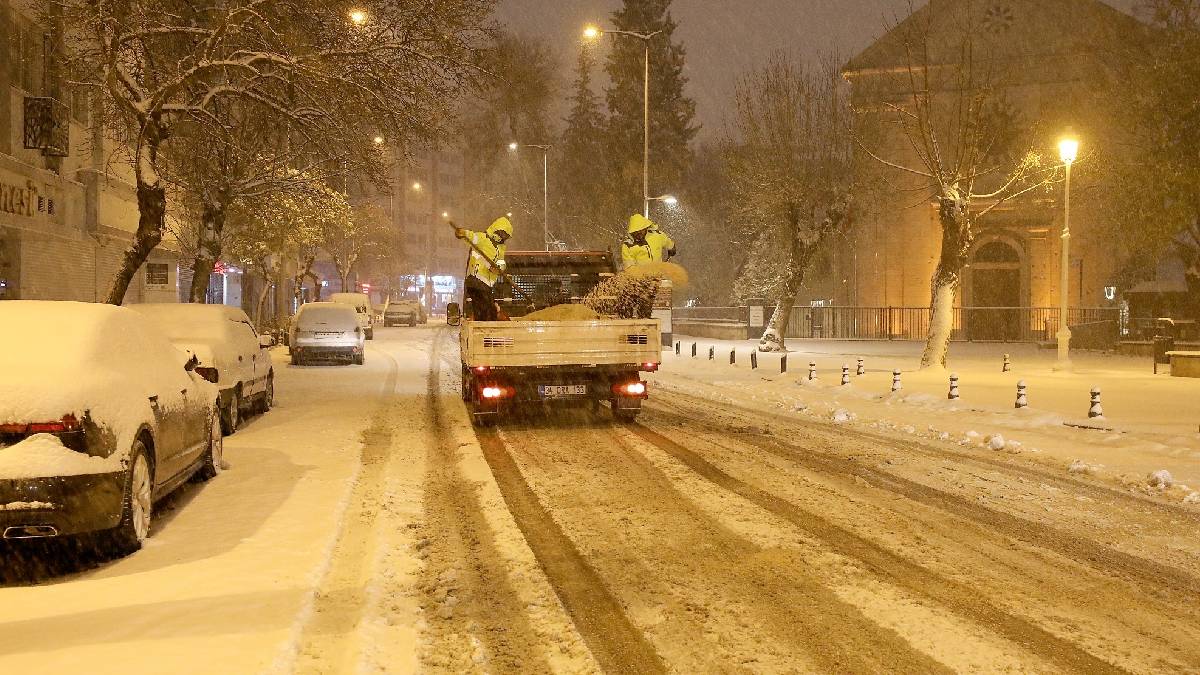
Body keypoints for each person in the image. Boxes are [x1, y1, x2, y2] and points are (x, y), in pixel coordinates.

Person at [455, 216, 513, 321]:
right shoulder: (483, 238)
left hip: (487, 285)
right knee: (486, 309)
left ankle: (485, 328)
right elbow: (472, 237)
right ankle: (484, 328)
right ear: (497, 230)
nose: (503, 237)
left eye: (506, 235)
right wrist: (463, 233)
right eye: (502, 233)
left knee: (488, 309)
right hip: (476, 279)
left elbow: (501, 262)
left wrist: (498, 268)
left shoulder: (501, 249)